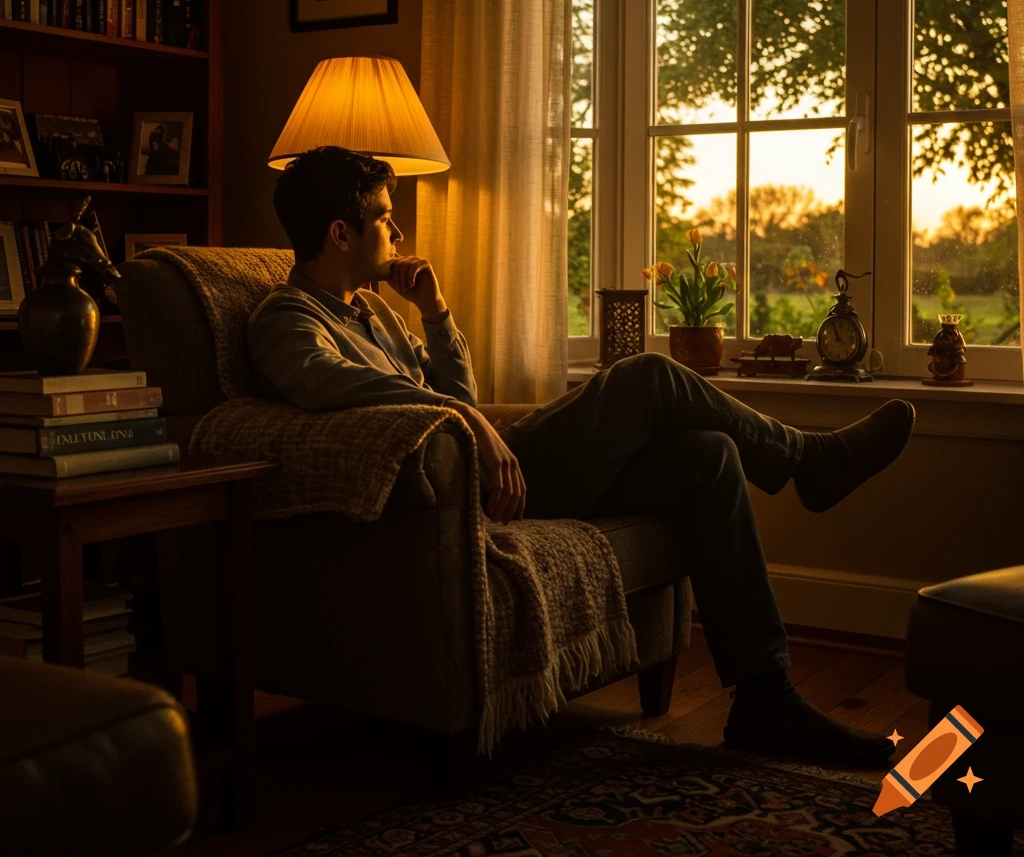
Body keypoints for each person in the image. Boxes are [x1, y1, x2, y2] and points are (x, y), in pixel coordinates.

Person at [249, 146, 915, 768]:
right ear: (341, 233)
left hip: (490, 466)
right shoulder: (287, 319)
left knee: (709, 456)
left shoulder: (376, 315)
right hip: (473, 493)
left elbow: (460, 394)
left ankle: (765, 700)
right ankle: (806, 461)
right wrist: (464, 420)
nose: (398, 235)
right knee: (648, 378)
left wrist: (435, 313)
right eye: (386, 220)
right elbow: (334, 386)